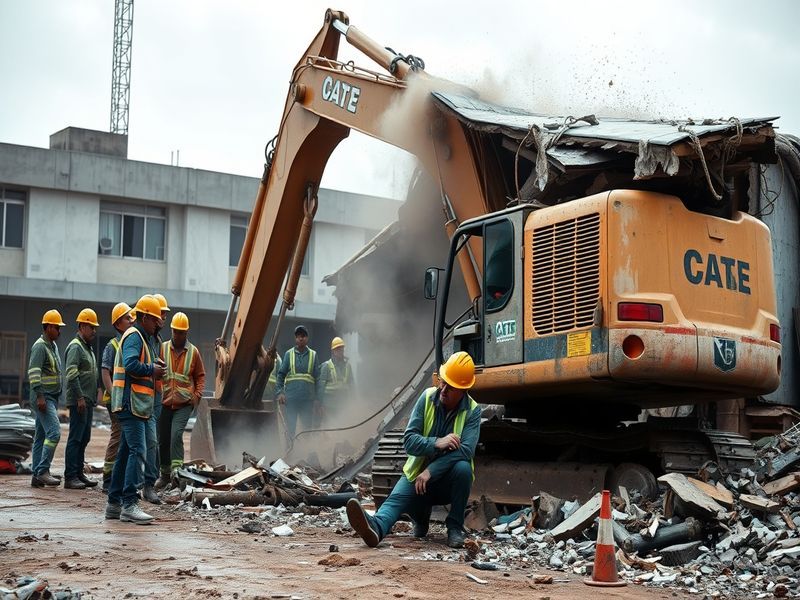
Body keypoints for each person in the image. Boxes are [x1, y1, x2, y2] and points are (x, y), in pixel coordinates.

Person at [346, 351, 481, 549]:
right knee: (393, 504)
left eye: (451, 387)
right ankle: (376, 527)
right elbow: (409, 441)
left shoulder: (472, 410)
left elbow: (466, 451)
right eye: (443, 382)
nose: (443, 389)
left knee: (463, 469)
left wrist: (431, 471)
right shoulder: (426, 398)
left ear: (463, 390)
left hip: (446, 482)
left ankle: (454, 527)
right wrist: (437, 442)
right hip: (418, 478)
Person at [105, 295, 165, 524]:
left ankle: (113, 503)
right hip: (130, 403)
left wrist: (153, 368)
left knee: (124, 454)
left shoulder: (143, 337)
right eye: (155, 319)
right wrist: (152, 369)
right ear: (145, 317)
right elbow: (130, 365)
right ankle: (129, 503)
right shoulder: (134, 336)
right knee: (138, 450)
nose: (158, 323)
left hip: (135, 405)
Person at [156, 312, 205, 487]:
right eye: (175, 331)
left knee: (176, 435)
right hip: (164, 401)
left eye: (181, 332)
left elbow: (200, 376)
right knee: (163, 438)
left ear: (186, 333)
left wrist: (196, 396)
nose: (178, 335)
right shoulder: (162, 348)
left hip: (184, 404)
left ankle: (177, 474)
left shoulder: (194, 353)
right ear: (171, 330)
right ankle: (165, 474)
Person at [63, 308, 101, 490]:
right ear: (82, 326)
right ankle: (70, 477)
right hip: (79, 401)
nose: (94, 331)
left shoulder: (87, 347)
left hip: (87, 401)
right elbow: (71, 374)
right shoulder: (76, 347)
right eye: (91, 327)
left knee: (84, 437)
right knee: (76, 438)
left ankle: (78, 473)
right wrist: (79, 397)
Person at [28, 309, 66, 488]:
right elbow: (34, 373)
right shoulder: (40, 346)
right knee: (54, 433)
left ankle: (36, 475)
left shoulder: (52, 345)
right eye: (57, 327)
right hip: (43, 398)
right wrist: (40, 396)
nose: (59, 331)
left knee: (41, 436)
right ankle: (43, 470)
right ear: (49, 327)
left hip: (51, 397)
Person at [100, 302, 134, 492]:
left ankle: (118, 478)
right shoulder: (112, 345)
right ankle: (108, 478)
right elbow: (105, 372)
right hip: (115, 400)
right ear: (117, 323)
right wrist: (115, 396)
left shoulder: (129, 341)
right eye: (127, 318)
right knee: (118, 435)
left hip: (127, 400)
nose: (130, 321)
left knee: (125, 438)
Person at [142, 292, 170, 504]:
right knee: (146, 443)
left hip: (154, 396)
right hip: (139, 399)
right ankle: (146, 484)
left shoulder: (157, 340)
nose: (163, 319)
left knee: (150, 443)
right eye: (160, 315)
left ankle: (146, 483)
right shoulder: (139, 338)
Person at [275, 325, 320, 441]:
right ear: (295, 339)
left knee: (306, 429)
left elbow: (318, 379)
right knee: (290, 429)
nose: (301, 338)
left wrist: (317, 399)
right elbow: (280, 375)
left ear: (307, 338)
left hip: (307, 400)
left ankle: (306, 453)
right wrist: (280, 392)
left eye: (303, 336)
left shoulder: (313, 355)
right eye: (298, 336)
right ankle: (289, 454)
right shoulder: (288, 354)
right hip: (291, 400)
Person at [316, 336, 355, 421]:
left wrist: (354, 402)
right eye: (337, 349)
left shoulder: (348, 366)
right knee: (329, 428)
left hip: (343, 404)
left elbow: (352, 385)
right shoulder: (326, 366)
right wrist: (320, 405)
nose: (340, 351)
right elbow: (321, 387)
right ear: (333, 351)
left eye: (341, 348)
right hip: (329, 405)